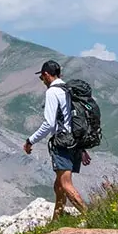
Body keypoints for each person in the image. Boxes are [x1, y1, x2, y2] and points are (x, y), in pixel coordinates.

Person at [22, 59, 89, 219]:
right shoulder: (68, 90)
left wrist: (30, 141)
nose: (42, 81)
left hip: (62, 143)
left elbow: (49, 124)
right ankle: (56, 221)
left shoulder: (52, 92)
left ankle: (92, 217)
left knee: (65, 184)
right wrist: (82, 148)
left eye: (41, 78)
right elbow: (74, 120)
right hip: (75, 141)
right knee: (58, 185)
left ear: (46, 75)